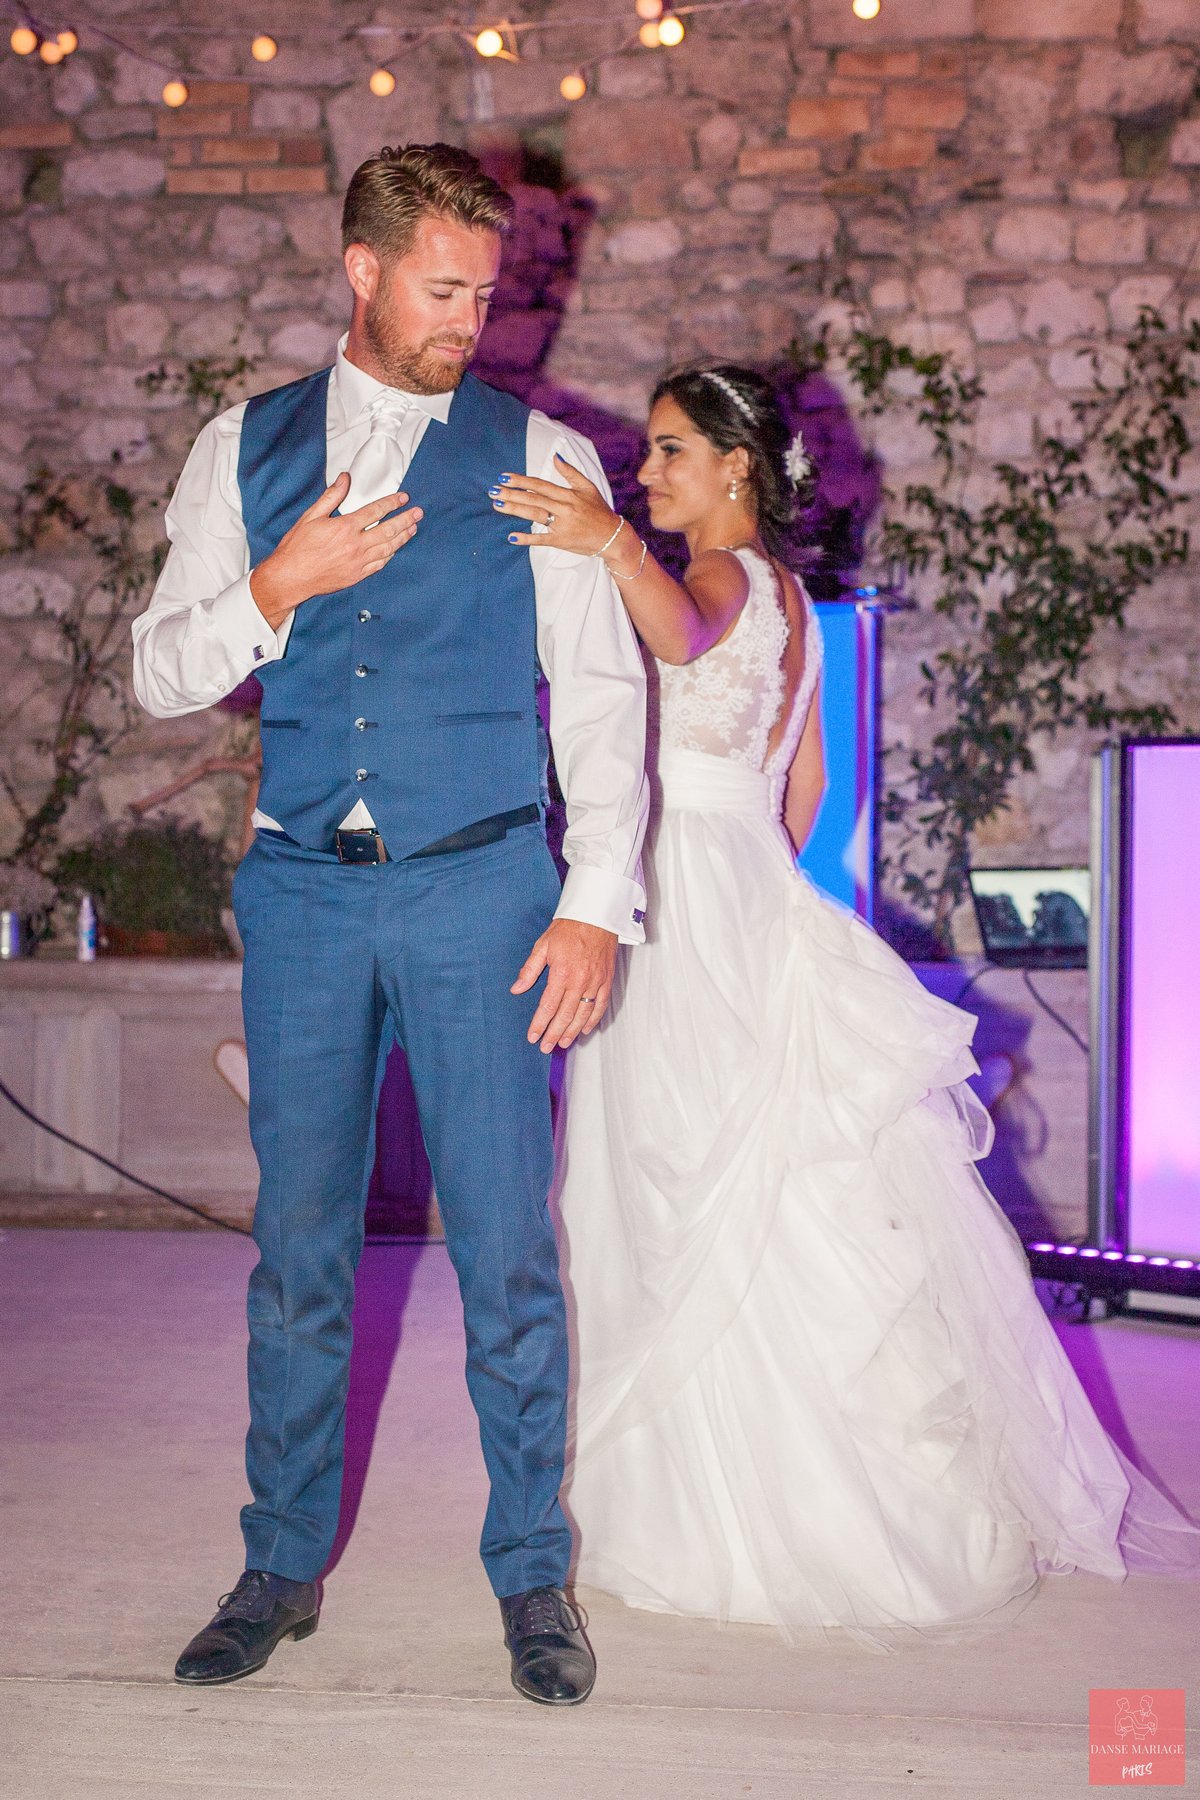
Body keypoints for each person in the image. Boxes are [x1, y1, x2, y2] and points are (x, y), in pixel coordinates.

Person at [491, 362, 1200, 1649]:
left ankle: (703, 1510)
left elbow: (681, 641)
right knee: (756, 1180)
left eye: (668, 450)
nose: (645, 474)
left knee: (669, 1176)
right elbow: (810, 786)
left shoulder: (716, 575)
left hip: (686, 889)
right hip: (748, 880)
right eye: (646, 456)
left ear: (736, 466)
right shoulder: (799, 603)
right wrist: (756, 876)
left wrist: (604, 541)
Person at [132, 143, 650, 1702]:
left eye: (484, 294)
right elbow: (159, 672)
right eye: (442, 290)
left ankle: (533, 1574)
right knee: (297, 1250)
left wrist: (595, 902)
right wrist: (277, 585)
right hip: (301, 890)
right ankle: (279, 1563)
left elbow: (602, 695)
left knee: (506, 1252)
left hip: (484, 887)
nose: (469, 322)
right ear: (360, 271)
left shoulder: (539, 453)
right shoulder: (242, 447)